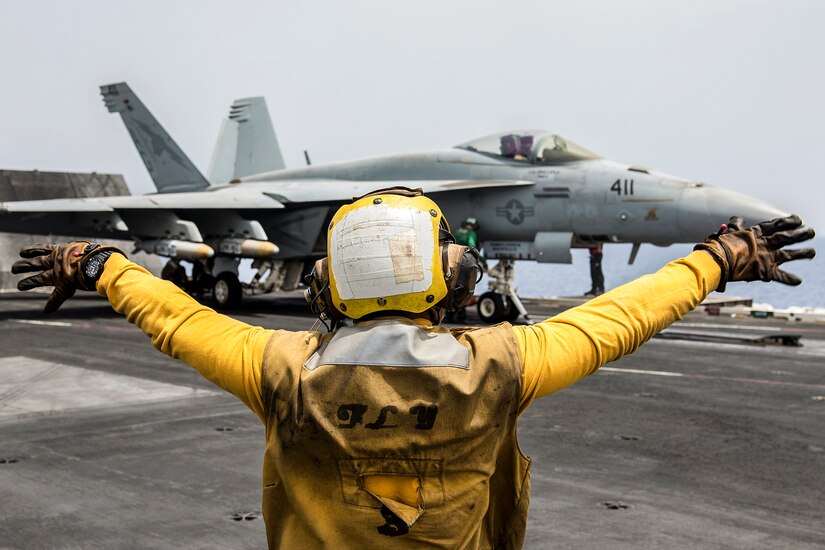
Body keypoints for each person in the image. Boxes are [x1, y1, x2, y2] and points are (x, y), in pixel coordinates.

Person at [11, 188, 815, 549]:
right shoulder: (504, 363)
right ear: (453, 280)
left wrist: (103, 266)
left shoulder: (278, 368)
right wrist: (715, 259)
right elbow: (615, 319)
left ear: (326, 287)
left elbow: (177, 318)